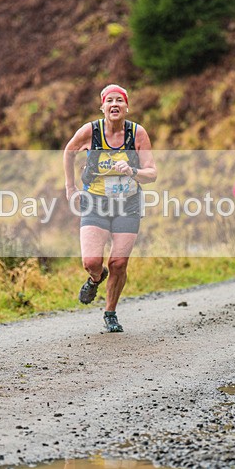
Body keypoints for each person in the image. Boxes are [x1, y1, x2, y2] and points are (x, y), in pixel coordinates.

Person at [63, 84, 157, 333]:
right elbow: (68, 152)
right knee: (92, 261)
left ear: (127, 106)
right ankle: (95, 278)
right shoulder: (90, 131)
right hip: (95, 202)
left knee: (118, 263)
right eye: (110, 100)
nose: (114, 104)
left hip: (128, 204)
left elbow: (152, 173)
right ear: (102, 107)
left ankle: (110, 312)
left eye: (120, 100)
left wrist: (133, 171)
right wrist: (70, 186)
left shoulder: (137, 133)